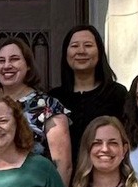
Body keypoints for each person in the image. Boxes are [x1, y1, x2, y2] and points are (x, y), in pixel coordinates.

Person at [0, 37, 72, 184]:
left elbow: (63, 165)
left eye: (14, 59)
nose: (7, 65)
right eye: (0, 61)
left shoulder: (48, 106)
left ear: (28, 65)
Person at [49, 25, 127, 171]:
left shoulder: (117, 94)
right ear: (66, 53)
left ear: (99, 52)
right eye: (74, 46)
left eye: (88, 45)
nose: (81, 51)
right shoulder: (54, 98)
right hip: (64, 183)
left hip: (107, 178)